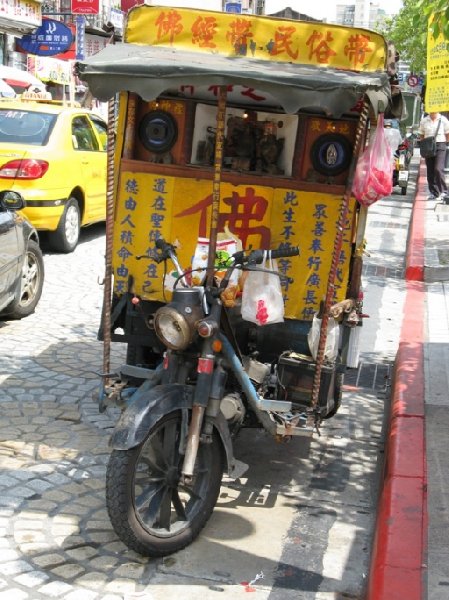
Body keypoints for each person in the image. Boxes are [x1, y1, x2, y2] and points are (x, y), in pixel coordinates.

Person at [418, 111, 449, 201]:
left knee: (438, 169)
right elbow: (421, 135)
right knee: (430, 171)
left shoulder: (443, 120)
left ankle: (444, 191)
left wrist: (443, 143)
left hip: (440, 145)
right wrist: (425, 145)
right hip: (428, 146)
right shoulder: (424, 121)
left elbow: (448, 134)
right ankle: (434, 192)